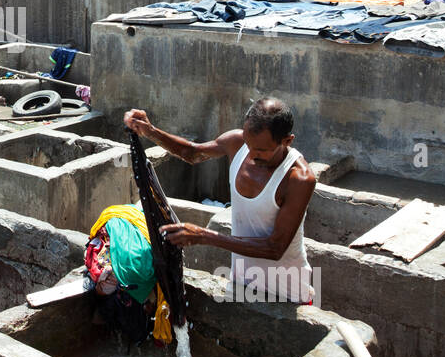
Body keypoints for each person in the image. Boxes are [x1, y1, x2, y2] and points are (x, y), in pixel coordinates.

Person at [123, 97, 317, 304]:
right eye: (249, 145)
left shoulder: (298, 178)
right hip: (243, 281)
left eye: (261, 151)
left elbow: (274, 248)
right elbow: (192, 153)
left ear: (287, 141)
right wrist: (150, 130)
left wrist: (204, 236)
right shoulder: (237, 142)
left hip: (287, 289)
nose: (251, 154)